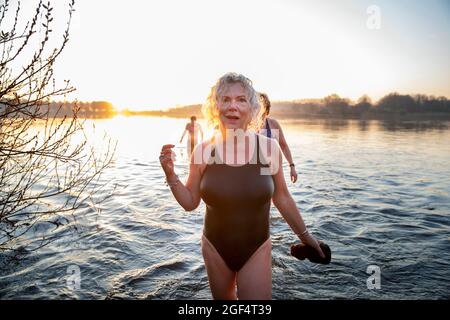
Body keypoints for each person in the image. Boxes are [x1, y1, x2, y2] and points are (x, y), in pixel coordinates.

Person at [159, 72, 324, 300]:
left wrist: (308, 239)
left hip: (256, 248)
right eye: (225, 99)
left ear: (252, 109)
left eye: (241, 100)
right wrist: (171, 175)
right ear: (215, 108)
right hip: (215, 248)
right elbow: (190, 202)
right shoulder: (204, 152)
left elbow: (282, 199)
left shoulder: (268, 149)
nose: (232, 106)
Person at [259, 93, 298, 183]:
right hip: (254, 172)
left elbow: (284, 146)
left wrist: (292, 167)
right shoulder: (247, 126)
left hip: (272, 171)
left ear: (266, 108)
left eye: (261, 106)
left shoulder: (273, 124)